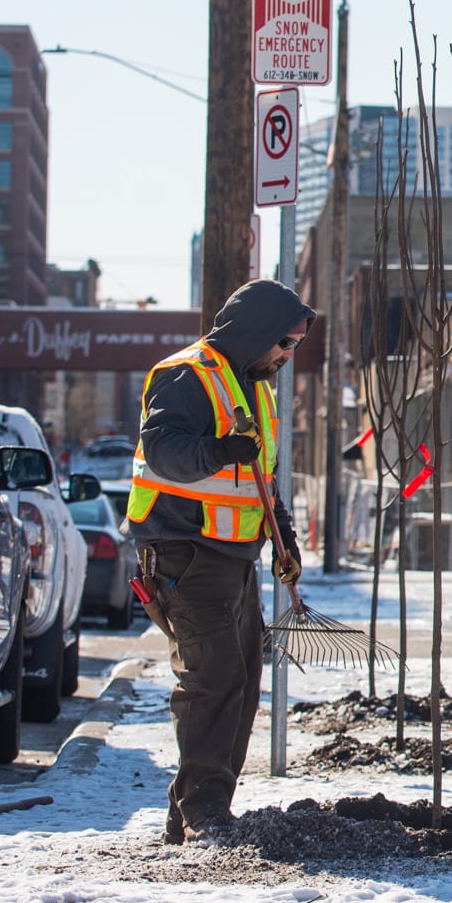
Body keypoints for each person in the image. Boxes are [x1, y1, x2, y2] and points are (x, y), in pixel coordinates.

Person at [127, 279, 315, 842]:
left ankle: (192, 813)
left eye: (296, 346)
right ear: (255, 331)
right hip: (185, 552)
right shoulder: (185, 374)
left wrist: (282, 532)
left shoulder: (255, 386)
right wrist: (218, 451)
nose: (287, 355)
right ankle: (204, 813)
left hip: (235, 556)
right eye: (284, 342)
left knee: (242, 679)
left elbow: (261, 478)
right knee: (213, 678)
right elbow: (162, 451)